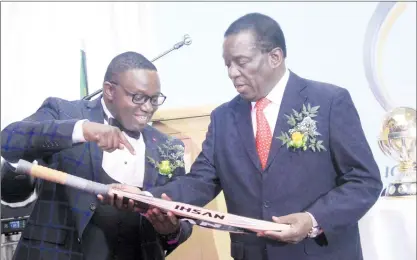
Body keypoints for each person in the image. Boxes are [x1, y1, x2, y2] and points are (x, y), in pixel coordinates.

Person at [118, 13, 383, 260]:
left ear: (275, 57)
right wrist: (149, 198)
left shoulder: (328, 102)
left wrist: (313, 219)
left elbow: (364, 181)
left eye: (241, 62)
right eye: (228, 64)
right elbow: (200, 181)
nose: (232, 72)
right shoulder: (223, 117)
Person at [1, 51, 192, 260]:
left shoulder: (168, 147)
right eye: (138, 97)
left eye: (154, 100)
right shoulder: (64, 112)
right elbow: (9, 140)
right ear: (109, 90)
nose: (148, 108)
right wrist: (82, 130)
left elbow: (183, 223)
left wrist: (170, 231)